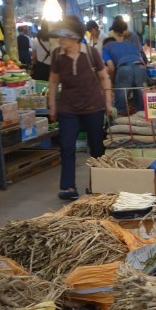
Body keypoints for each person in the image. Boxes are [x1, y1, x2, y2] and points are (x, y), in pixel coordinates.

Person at [46, 15, 113, 201]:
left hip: (93, 106)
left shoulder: (91, 53)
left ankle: (99, 184)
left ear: (76, 36)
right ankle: (68, 187)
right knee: (66, 147)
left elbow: (104, 77)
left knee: (97, 147)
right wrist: (52, 104)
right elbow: (53, 81)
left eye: (65, 35)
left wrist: (107, 102)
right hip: (68, 108)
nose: (61, 39)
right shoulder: (57, 55)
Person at [102, 31, 148, 116]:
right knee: (141, 102)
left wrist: (112, 82)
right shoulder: (129, 45)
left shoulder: (105, 48)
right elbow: (143, 62)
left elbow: (111, 67)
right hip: (141, 68)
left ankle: (119, 120)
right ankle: (144, 122)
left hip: (124, 68)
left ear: (104, 44)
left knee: (121, 101)